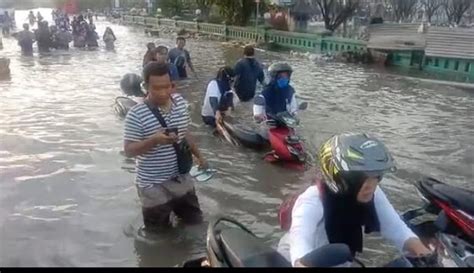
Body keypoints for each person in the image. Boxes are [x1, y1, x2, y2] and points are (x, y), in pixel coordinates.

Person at [277, 133, 433, 267]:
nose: (370, 185)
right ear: (338, 176)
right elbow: (300, 244)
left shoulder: (373, 192)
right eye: (360, 177)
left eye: (376, 176)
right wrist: (302, 263)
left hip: (341, 261)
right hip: (300, 260)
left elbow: (396, 229)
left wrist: (427, 255)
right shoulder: (311, 201)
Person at [123, 62, 207, 231]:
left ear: (172, 85)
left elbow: (186, 133)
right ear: (146, 87)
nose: (163, 93)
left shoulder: (180, 104)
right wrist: (153, 140)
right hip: (152, 185)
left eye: (167, 87)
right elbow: (129, 151)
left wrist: (200, 157)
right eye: (156, 88)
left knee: (196, 224)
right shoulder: (136, 115)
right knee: (158, 235)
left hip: (180, 178)